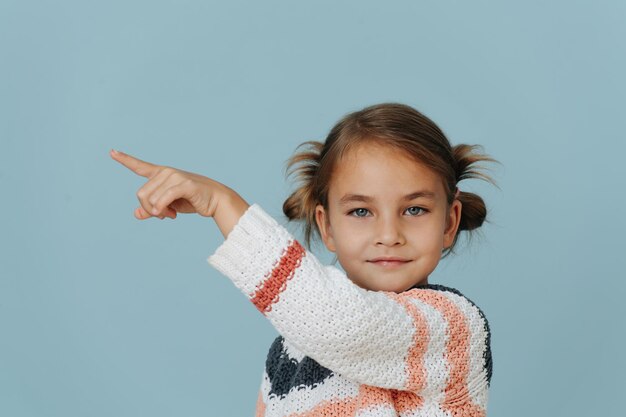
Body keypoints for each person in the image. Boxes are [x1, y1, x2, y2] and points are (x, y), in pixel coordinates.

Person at [110, 102, 500, 417]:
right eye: (361, 212)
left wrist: (222, 205)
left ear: (449, 222)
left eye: (414, 210)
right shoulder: (288, 351)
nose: (389, 235)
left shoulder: (452, 326)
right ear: (326, 225)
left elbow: (342, 324)